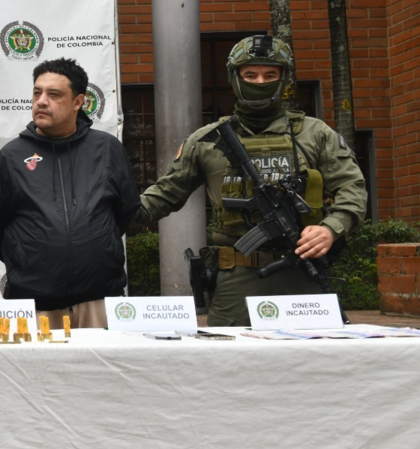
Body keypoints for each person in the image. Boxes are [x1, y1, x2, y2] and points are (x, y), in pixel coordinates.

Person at [136, 35, 366, 326]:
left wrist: (330, 229)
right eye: (250, 75)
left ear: (283, 79)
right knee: (231, 364)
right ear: (235, 78)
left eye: (270, 75)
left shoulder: (315, 134)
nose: (260, 82)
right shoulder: (207, 140)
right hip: (236, 280)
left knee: (314, 361)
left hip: (302, 273)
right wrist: (108, 210)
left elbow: (352, 190)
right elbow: (162, 196)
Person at [0, 57, 140, 328]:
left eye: (54, 94)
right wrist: (25, 256)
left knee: (100, 370)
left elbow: (124, 212)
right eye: (37, 93)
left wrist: (95, 246)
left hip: (98, 301)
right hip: (34, 304)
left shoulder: (107, 149)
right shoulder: (11, 157)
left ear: (78, 102)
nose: (41, 101)